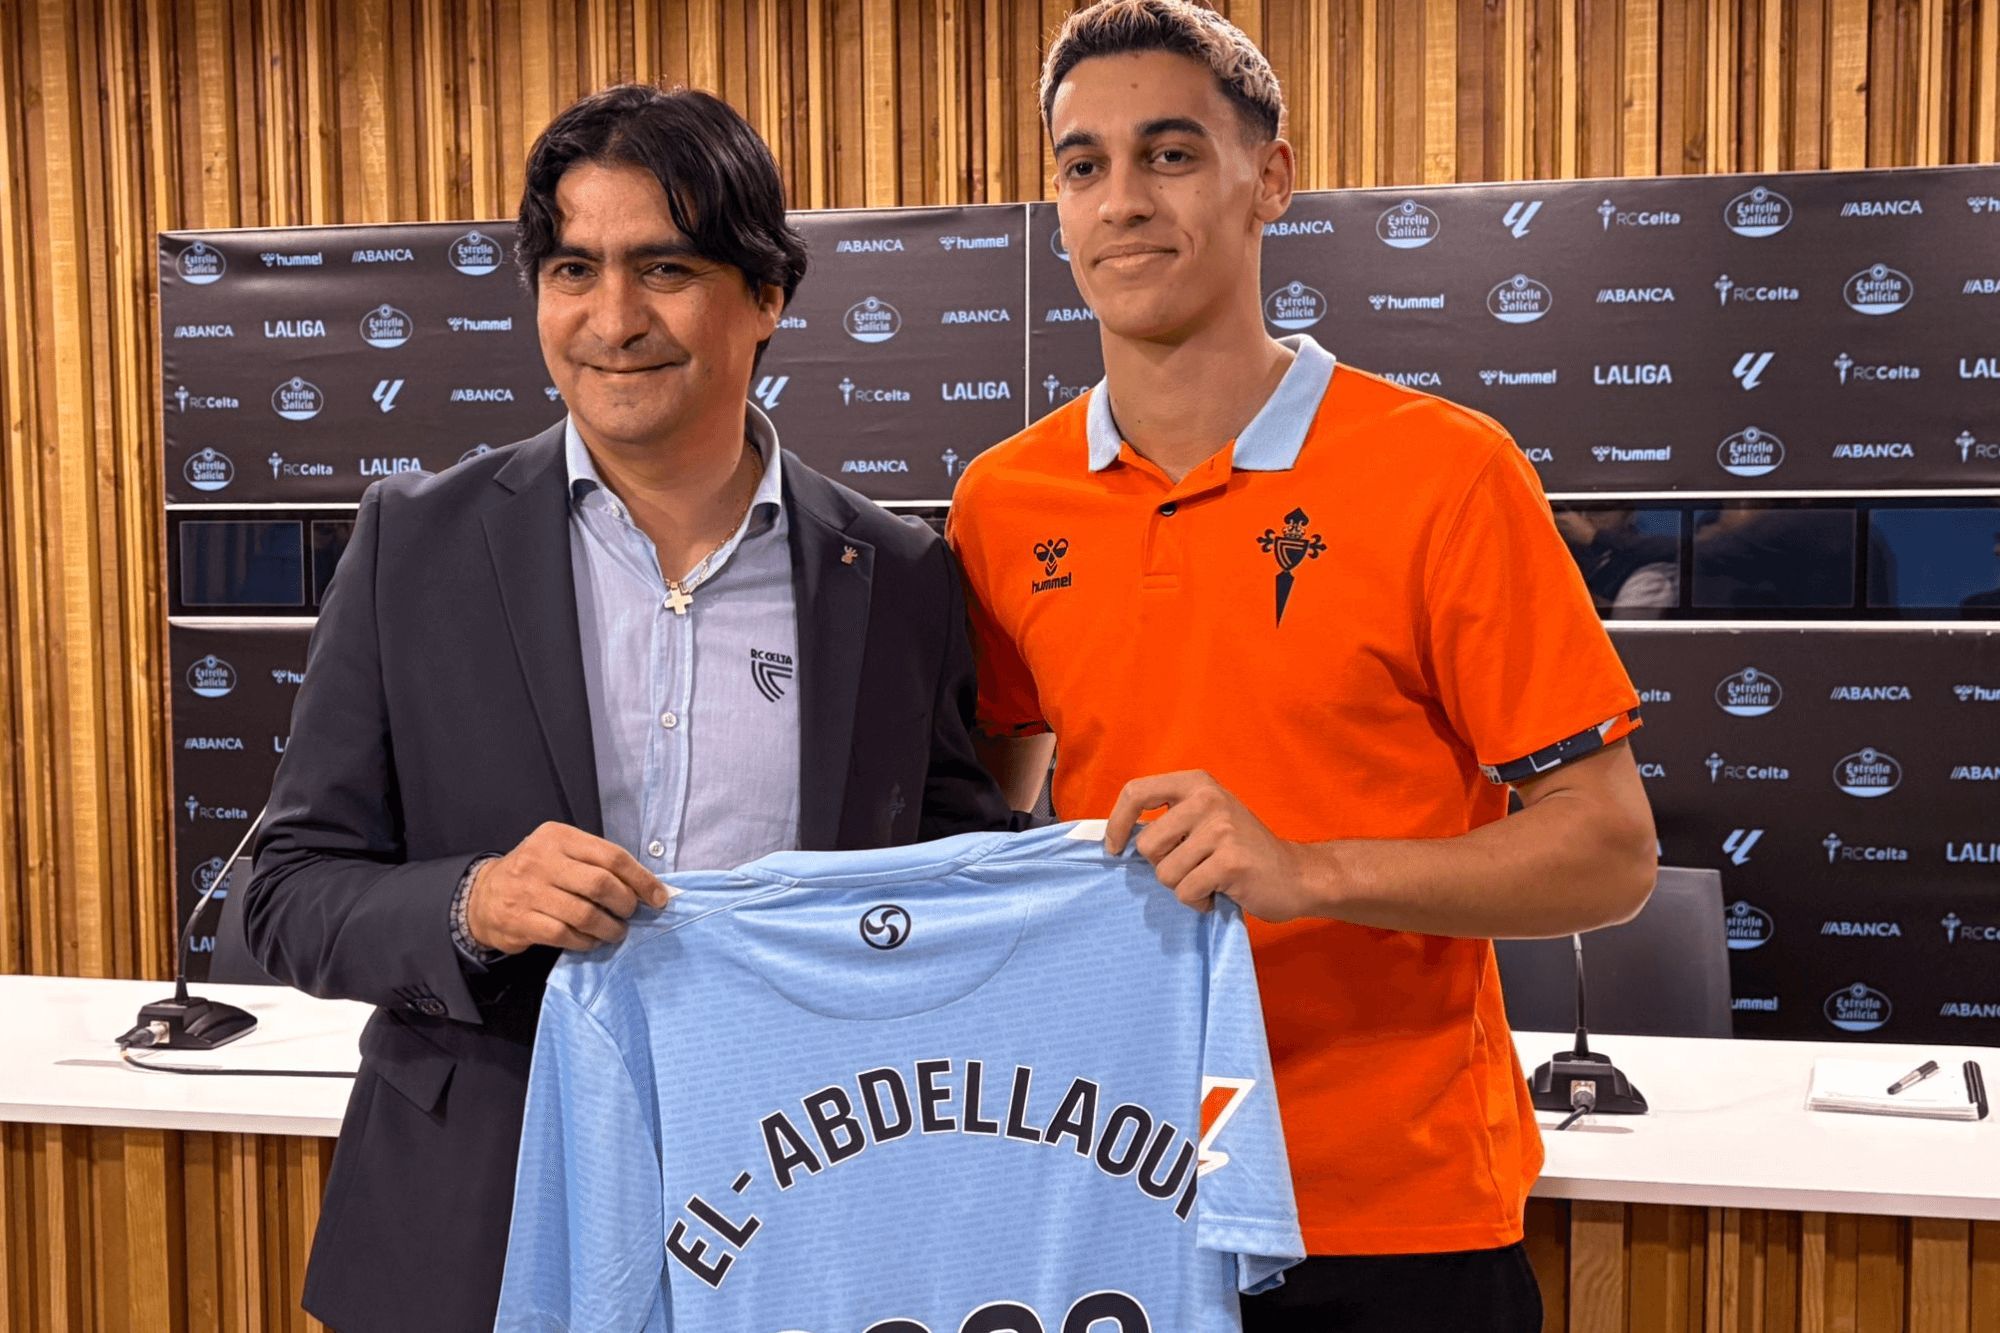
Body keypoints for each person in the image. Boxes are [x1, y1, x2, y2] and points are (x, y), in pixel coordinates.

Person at [244, 84, 1013, 1333]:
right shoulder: (414, 548)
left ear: (765, 295)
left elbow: (949, 892)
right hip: (474, 1228)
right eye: (572, 269)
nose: (612, 319)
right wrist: (472, 902)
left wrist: (1115, 881)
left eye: (665, 267)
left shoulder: (899, 579)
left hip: (803, 1215)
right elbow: (287, 891)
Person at [945, 4, 1659, 1328]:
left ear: (1267, 179)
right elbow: (988, 821)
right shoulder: (1002, 500)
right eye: (1083, 164)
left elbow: (1609, 854)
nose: (1121, 202)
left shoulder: (1447, 473)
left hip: (1393, 1214)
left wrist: (1305, 871)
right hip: (1113, 1191)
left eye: (1169, 154)